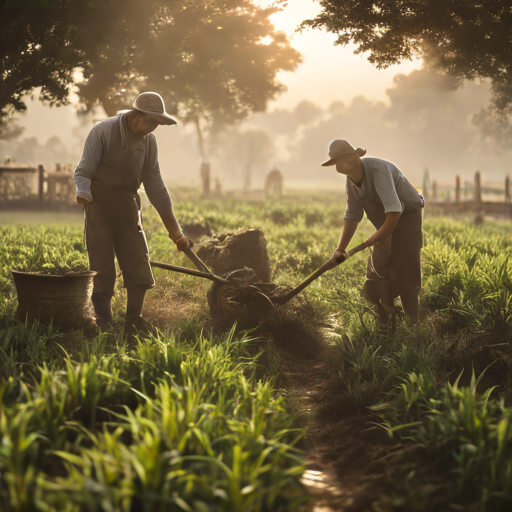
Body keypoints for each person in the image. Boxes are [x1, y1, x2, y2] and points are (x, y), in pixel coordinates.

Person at [74, 91, 190, 335]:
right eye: (149, 121)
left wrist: (176, 232)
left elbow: (155, 186)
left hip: (128, 205)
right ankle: (103, 323)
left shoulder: (149, 142)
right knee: (102, 266)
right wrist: (83, 192)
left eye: (156, 124)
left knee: (138, 261)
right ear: (136, 115)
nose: (150, 128)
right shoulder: (102, 131)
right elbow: (83, 171)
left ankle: (133, 321)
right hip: (99, 206)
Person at [323, 139, 424, 325]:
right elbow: (352, 215)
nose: (349, 161)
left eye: (350, 156)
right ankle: (386, 319)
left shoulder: (378, 170)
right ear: (337, 166)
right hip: (386, 220)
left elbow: (394, 211)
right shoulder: (351, 181)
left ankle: (412, 322)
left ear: (357, 155)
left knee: (403, 265)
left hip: (407, 215)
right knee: (378, 266)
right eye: (342, 159)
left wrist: (370, 241)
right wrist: (340, 250)